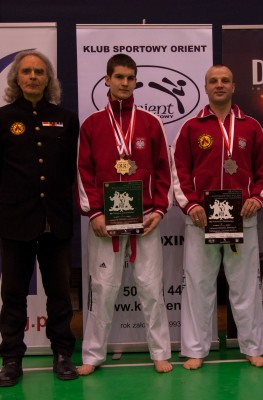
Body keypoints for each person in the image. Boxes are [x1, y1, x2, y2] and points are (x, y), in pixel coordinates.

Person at [171, 64, 263, 370]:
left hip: (241, 218)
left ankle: (252, 347)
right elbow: (179, 171)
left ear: (233, 86)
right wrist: (190, 205)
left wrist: (257, 198)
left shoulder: (250, 127)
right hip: (201, 219)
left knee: (245, 286)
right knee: (199, 286)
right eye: (213, 81)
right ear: (205, 87)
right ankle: (196, 349)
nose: (219, 85)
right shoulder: (191, 127)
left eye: (225, 80)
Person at [76, 54, 173, 375]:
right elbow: (83, 171)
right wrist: (94, 213)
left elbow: (164, 170)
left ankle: (160, 352)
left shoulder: (150, 122)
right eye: (119, 77)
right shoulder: (92, 124)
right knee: (102, 288)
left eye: (130, 78)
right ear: (107, 79)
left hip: (144, 219)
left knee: (151, 287)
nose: (125, 83)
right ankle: (93, 355)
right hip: (105, 221)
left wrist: (159, 209)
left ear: (135, 82)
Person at [0, 50, 79, 386]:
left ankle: (62, 354)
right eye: (27, 71)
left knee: (60, 294)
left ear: (48, 79)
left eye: (39, 72)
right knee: (13, 294)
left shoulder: (66, 119)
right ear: (16, 78)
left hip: (55, 220)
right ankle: (11, 359)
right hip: (15, 220)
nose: (33, 76)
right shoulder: (3, 119)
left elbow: (71, 170)